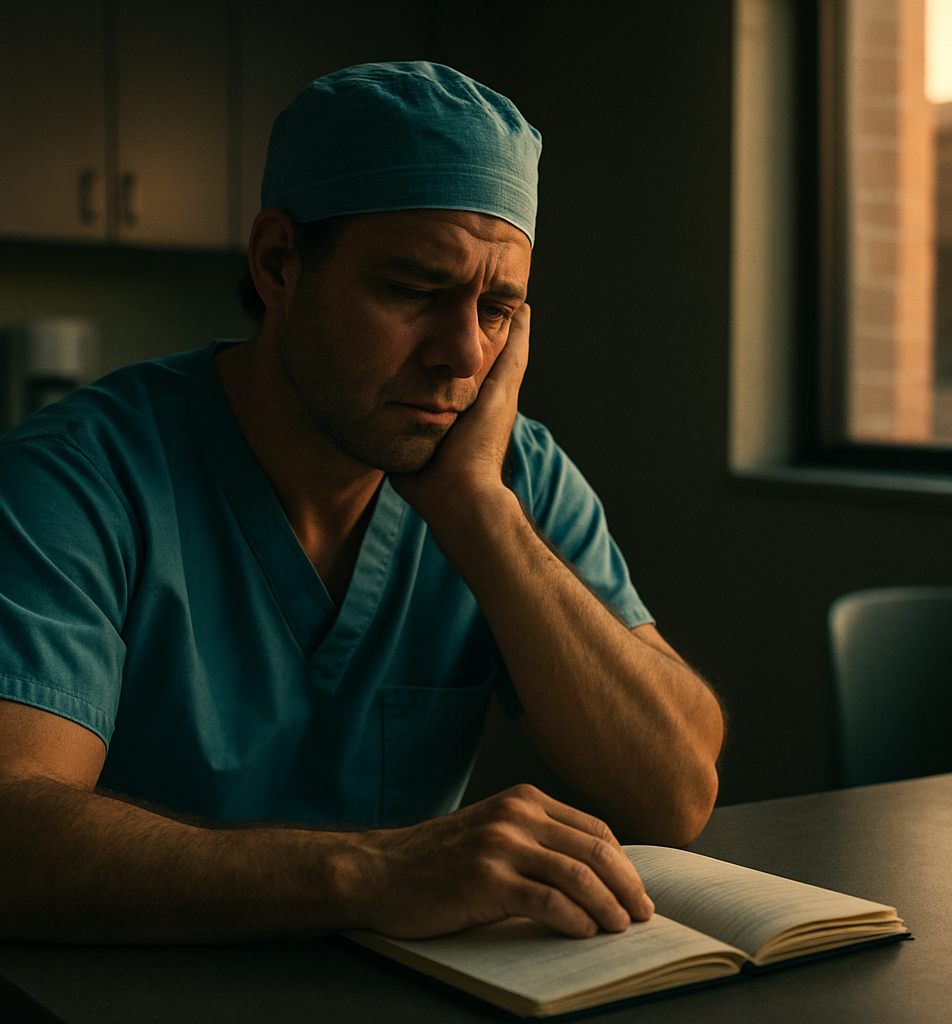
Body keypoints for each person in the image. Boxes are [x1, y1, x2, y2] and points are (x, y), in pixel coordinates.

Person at [0, 62, 724, 944]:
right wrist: (368, 872)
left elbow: (676, 791)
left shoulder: (506, 474)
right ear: (278, 263)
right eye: (415, 291)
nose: (463, 355)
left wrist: (479, 515)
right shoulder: (78, 477)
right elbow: (13, 829)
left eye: (498, 308)